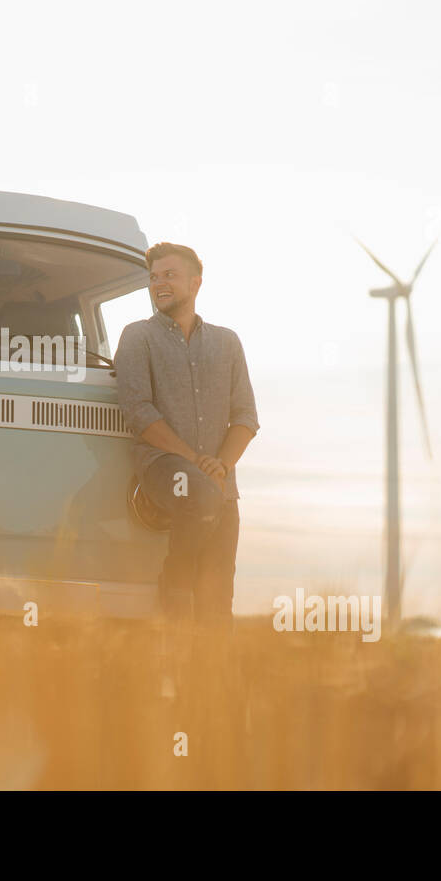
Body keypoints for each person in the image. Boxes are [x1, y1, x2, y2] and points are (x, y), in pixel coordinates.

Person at [113, 241, 259, 639]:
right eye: (154, 277)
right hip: (164, 468)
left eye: (169, 275)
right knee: (197, 493)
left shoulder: (227, 343)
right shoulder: (137, 337)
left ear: (195, 283)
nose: (159, 283)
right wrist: (194, 460)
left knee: (216, 607)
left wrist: (221, 465)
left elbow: (246, 417)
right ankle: (174, 585)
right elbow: (139, 412)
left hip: (219, 483)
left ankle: (209, 697)